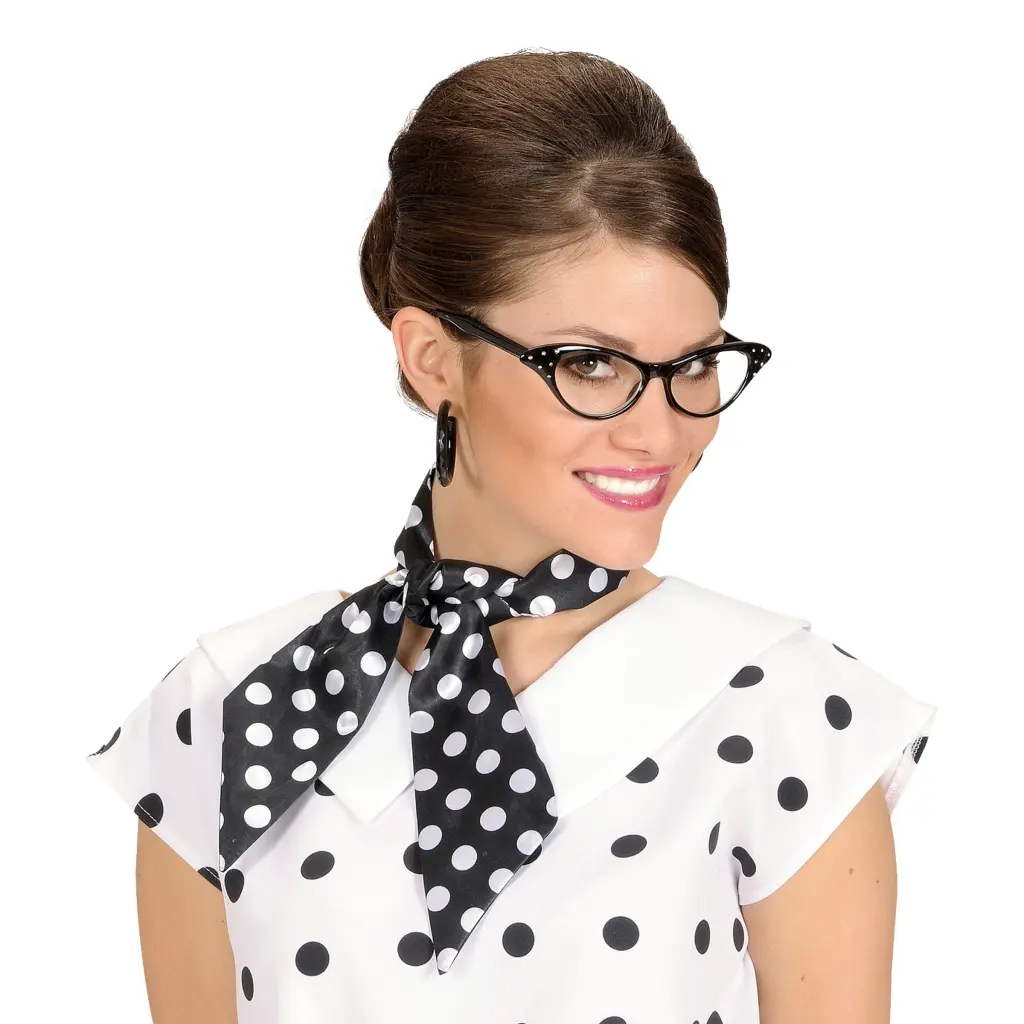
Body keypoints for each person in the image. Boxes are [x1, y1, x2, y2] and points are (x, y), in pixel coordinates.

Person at [85, 48, 938, 1024]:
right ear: (432, 357)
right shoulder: (237, 705)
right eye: (589, 363)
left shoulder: (790, 716)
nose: (660, 431)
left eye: (696, 365)